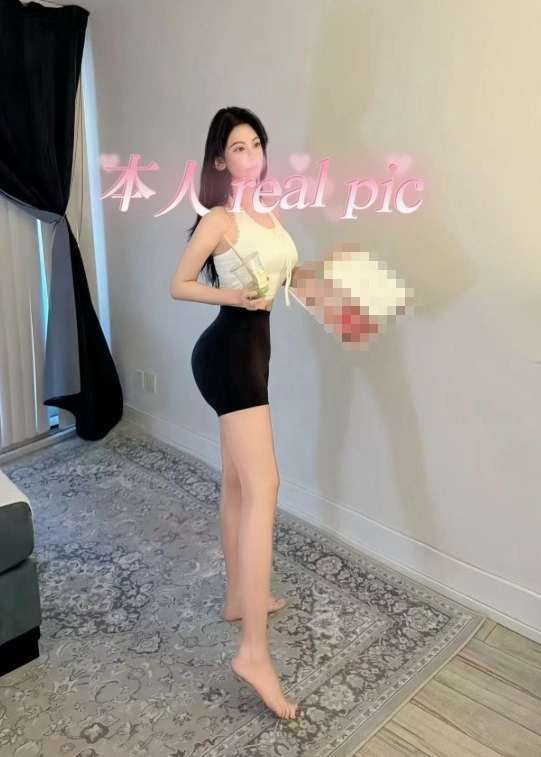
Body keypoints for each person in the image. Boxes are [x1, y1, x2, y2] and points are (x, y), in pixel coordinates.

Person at [170, 107, 309, 720]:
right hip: (228, 355)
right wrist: (231, 294)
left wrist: (343, 292)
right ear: (220, 160)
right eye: (239, 148)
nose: (252, 156)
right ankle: (253, 651)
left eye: (257, 144)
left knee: (237, 482)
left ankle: (236, 599)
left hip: (255, 354)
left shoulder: (269, 216)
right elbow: (178, 283)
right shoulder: (219, 219)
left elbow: (285, 280)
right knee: (265, 486)